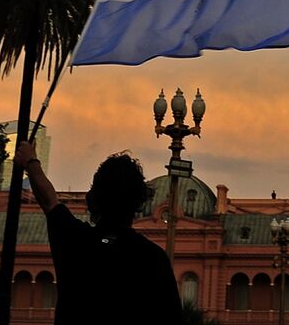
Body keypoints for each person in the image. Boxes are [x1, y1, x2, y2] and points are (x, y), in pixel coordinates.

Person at [12, 138, 182, 323]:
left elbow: (49, 201)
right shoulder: (152, 258)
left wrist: (30, 161)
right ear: (139, 202)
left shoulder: (76, 241)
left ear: (94, 198)